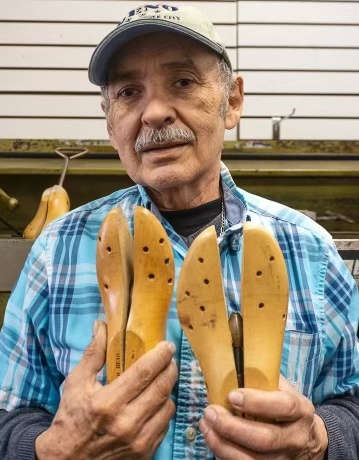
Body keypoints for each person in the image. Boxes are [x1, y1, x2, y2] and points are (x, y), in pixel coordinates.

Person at [0, 3, 358, 459]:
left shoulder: (312, 252)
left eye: (183, 82)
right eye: (129, 92)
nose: (153, 113)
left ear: (232, 102)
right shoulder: (56, 251)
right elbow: (8, 413)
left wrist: (320, 440)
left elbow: (353, 401)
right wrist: (48, 449)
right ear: (112, 126)